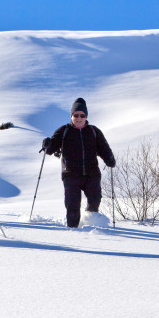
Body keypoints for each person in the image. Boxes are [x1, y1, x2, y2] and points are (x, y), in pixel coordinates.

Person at [42, 97, 115, 228]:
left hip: (92, 173)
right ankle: (73, 231)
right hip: (71, 174)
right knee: (72, 205)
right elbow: (50, 149)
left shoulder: (94, 131)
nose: (79, 118)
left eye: (82, 115)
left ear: (86, 116)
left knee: (94, 201)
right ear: (71, 116)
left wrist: (109, 160)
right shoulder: (64, 131)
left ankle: (90, 225)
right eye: (76, 115)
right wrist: (47, 145)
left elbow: (104, 148)